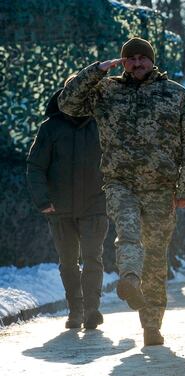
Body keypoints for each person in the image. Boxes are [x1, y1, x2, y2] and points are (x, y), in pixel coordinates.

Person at [58, 37, 185, 346]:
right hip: (120, 182)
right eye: (130, 59)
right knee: (128, 233)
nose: (137, 63)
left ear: (152, 60)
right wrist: (97, 70)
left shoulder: (174, 94)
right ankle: (130, 279)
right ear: (123, 62)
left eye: (142, 58)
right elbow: (67, 102)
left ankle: (151, 325)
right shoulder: (106, 91)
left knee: (157, 257)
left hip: (161, 188)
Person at [27, 86, 108, 330]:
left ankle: (92, 310)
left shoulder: (102, 124)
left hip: (95, 204)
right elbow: (35, 166)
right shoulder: (50, 128)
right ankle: (75, 310)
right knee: (68, 261)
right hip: (59, 208)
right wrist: (43, 200)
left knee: (93, 257)